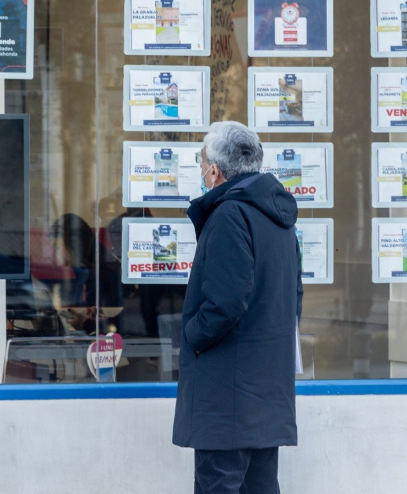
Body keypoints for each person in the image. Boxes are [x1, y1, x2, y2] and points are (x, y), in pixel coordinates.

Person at [172, 122, 302, 493]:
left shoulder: (229, 215)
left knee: (220, 484)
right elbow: (293, 297)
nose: (200, 172)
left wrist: (192, 335)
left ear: (215, 170)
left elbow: (227, 302)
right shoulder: (277, 218)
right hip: (263, 390)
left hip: (227, 395)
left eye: (201, 164)